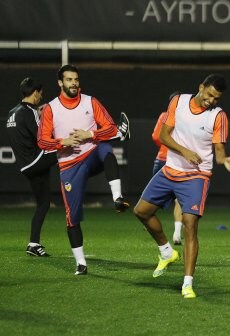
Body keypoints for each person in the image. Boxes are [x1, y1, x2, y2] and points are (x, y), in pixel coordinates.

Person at [133, 74, 230, 299]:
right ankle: (166, 251)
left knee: (190, 225)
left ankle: (187, 283)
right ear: (200, 88)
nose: (212, 101)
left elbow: (219, 152)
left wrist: (225, 160)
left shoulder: (219, 117)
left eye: (217, 98)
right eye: (209, 95)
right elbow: (163, 135)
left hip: (197, 176)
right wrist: (185, 152)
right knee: (141, 211)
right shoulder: (178, 102)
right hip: (170, 169)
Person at [37, 64, 131, 275]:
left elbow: (111, 128)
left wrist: (92, 135)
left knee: (106, 149)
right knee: (73, 217)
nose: (74, 83)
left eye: (76, 79)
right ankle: (81, 263)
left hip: (91, 155)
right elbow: (42, 141)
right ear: (60, 83)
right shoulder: (51, 108)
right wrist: (63, 141)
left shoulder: (91, 101)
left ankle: (118, 198)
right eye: (69, 80)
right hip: (70, 165)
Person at [6, 78, 57, 257]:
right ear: (35, 92)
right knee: (69, 148)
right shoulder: (29, 112)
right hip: (36, 160)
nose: (41, 97)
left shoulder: (13, 113)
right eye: (40, 93)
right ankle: (112, 136)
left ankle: (33, 244)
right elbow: (43, 138)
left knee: (43, 204)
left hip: (26, 166)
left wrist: (38, 113)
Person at [151, 92, 183, 245]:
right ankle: (176, 232)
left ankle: (172, 232)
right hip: (174, 161)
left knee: (154, 199)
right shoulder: (183, 117)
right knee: (177, 199)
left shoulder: (165, 116)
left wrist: (167, 145)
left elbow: (157, 137)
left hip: (165, 159)